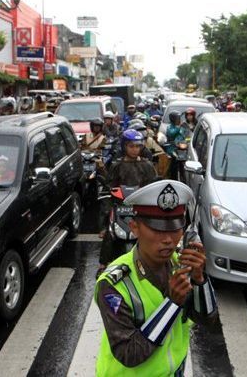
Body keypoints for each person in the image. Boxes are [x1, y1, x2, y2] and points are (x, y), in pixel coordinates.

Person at [95, 180, 218, 375]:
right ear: (135, 227)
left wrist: (199, 280)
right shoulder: (114, 283)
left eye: (174, 229)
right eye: (158, 230)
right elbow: (129, 354)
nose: (168, 239)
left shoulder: (180, 263)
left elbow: (208, 320)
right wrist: (172, 304)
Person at [98, 130, 158, 270]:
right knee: (110, 233)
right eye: (131, 146)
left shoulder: (147, 165)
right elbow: (109, 187)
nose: (135, 149)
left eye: (138, 146)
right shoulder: (116, 165)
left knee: (152, 233)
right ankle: (102, 264)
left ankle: (155, 263)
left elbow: (153, 185)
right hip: (120, 206)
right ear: (124, 146)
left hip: (141, 207)